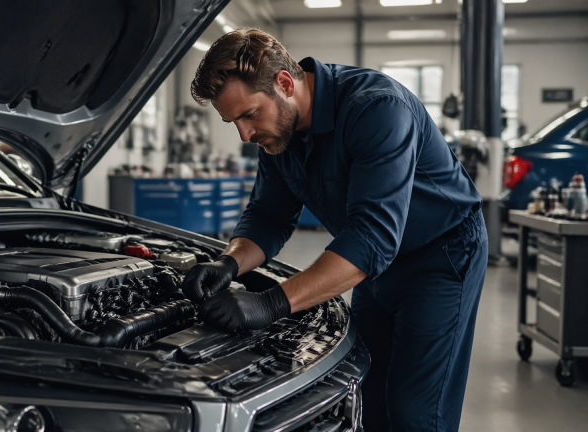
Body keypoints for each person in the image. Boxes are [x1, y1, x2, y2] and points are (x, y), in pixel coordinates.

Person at [183, 28, 487, 432]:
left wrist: (270, 304)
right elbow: (269, 215)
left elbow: (372, 236)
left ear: (285, 83)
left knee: (414, 411)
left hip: (441, 255)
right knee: (366, 393)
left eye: (248, 114)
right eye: (232, 122)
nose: (244, 134)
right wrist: (229, 263)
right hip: (373, 266)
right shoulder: (278, 134)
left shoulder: (377, 108)